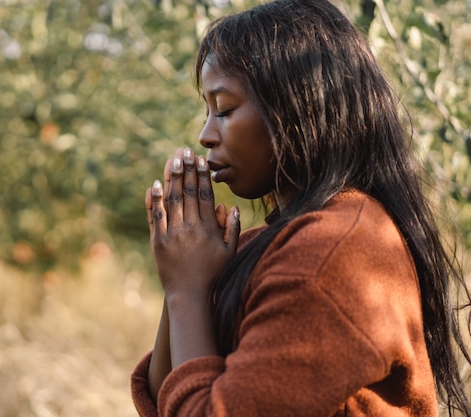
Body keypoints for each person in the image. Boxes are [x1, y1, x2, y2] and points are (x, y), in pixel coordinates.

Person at [130, 0, 471, 416]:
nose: (205, 134)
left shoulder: (331, 256)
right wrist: (186, 274)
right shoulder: (281, 243)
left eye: (224, 109)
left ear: (299, 106)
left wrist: (186, 291)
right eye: (206, 111)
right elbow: (170, 399)